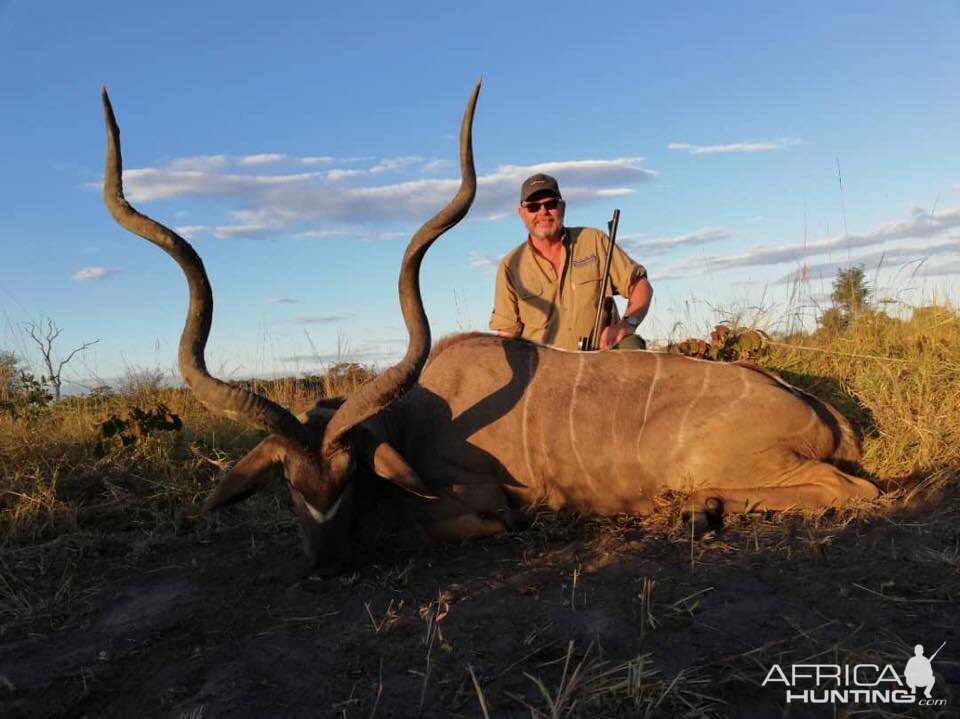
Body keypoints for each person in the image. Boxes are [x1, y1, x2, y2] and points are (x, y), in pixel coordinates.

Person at [489, 173, 653, 350]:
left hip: (601, 355)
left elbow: (640, 285)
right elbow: (507, 333)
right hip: (546, 369)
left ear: (562, 207)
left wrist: (627, 324)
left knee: (631, 345)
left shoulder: (594, 241)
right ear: (522, 213)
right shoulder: (510, 265)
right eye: (533, 207)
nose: (543, 212)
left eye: (550, 204)